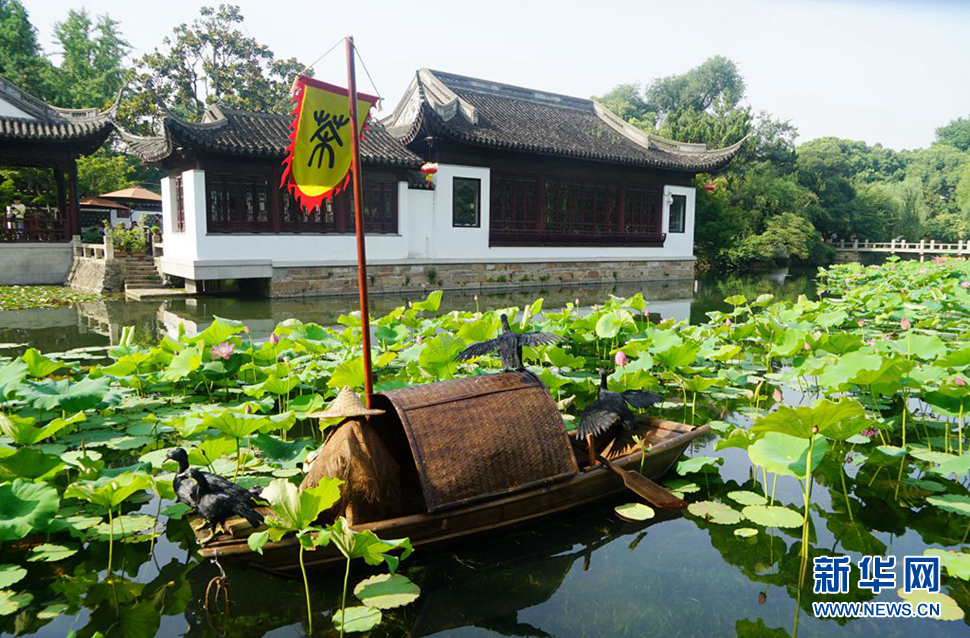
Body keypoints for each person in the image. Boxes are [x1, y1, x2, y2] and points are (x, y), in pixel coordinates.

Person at [300, 387, 405, 525]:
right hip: (368, 497)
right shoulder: (367, 431)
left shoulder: (343, 432)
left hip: (354, 492)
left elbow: (316, 480)